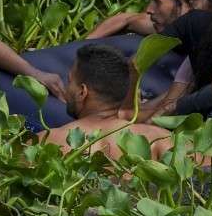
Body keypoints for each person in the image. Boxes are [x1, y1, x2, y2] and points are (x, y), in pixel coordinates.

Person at [41, 44, 173, 160]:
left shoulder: (46, 142)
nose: (67, 88)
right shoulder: (160, 139)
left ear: (82, 92)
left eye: (70, 81)